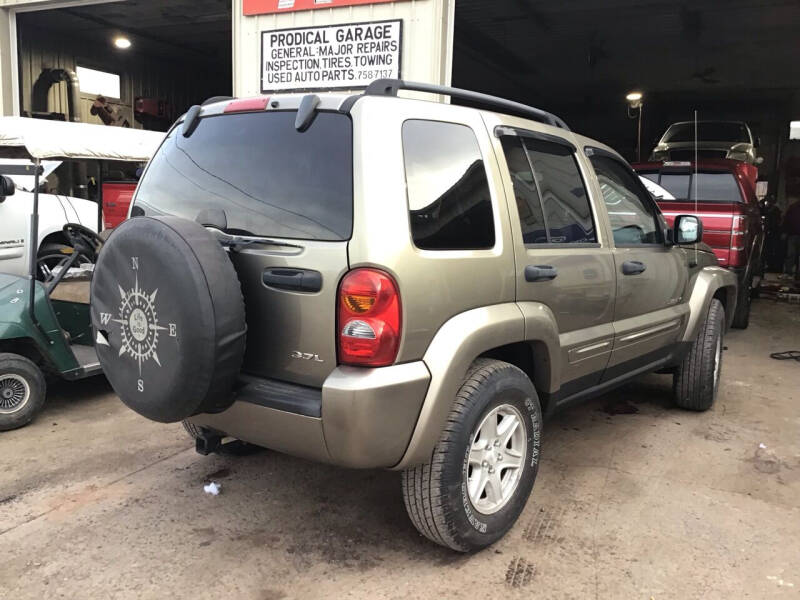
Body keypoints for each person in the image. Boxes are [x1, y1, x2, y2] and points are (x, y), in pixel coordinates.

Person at [783, 196, 800, 278]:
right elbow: (787, 220)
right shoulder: (793, 207)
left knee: (791, 254)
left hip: (792, 234)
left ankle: (789, 272)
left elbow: (787, 220)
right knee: (791, 254)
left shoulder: (793, 207)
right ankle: (790, 271)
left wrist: (785, 231)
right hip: (793, 234)